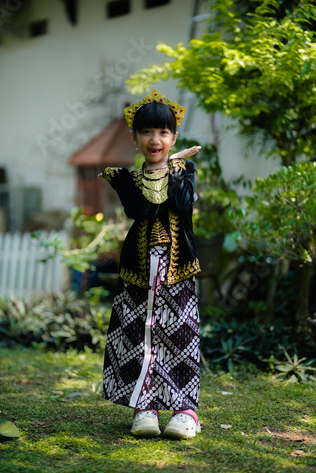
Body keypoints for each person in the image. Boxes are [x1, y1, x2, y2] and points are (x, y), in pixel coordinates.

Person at [99, 89, 201, 439]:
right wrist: (123, 181)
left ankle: (186, 411)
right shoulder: (129, 178)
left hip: (177, 269)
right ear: (134, 137)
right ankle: (145, 406)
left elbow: (181, 205)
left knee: (179, 333)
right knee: (136, 333)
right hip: (138, 269)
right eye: (146, 132)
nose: (154, 139)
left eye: (162, 132)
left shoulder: (185, 169)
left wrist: (173, 167)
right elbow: (139, 210)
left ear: (173, 137)